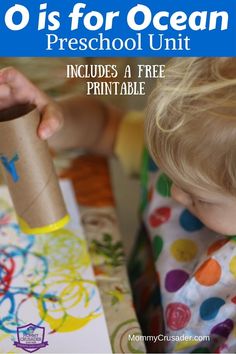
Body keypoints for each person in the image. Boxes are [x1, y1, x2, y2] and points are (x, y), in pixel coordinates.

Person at [1, 58, 236, 353]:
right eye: (168, 175)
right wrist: (47, 120)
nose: (174, 192)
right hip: (126, 312)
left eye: (198, 197)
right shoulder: (191, 148)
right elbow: (103, 126)